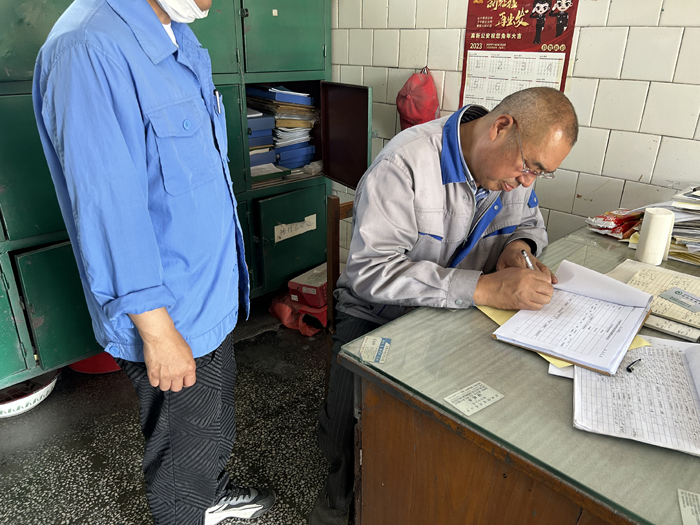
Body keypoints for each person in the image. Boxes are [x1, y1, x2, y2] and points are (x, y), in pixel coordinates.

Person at [32, 0, 275, 523]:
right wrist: (158, 332)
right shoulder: (87, 47)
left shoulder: (175, 32)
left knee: (207, 426)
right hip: (170, 313)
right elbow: (108, 207)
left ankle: (209, 494)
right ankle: (187, 509)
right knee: (181, 453)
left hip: (206, 294)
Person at [310, 87, 578, 525]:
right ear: (501, 127)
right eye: (529, 166)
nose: (528, 181)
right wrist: (483, 289)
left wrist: (520, 248)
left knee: (471, 422)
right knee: (346, 427)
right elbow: (370, 272)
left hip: (457, 311)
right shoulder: (406, 164)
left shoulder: (508, 176)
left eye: (540, 174)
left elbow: (529, 223)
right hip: (378, 316)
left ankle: (415, 495)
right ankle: (336, 507)